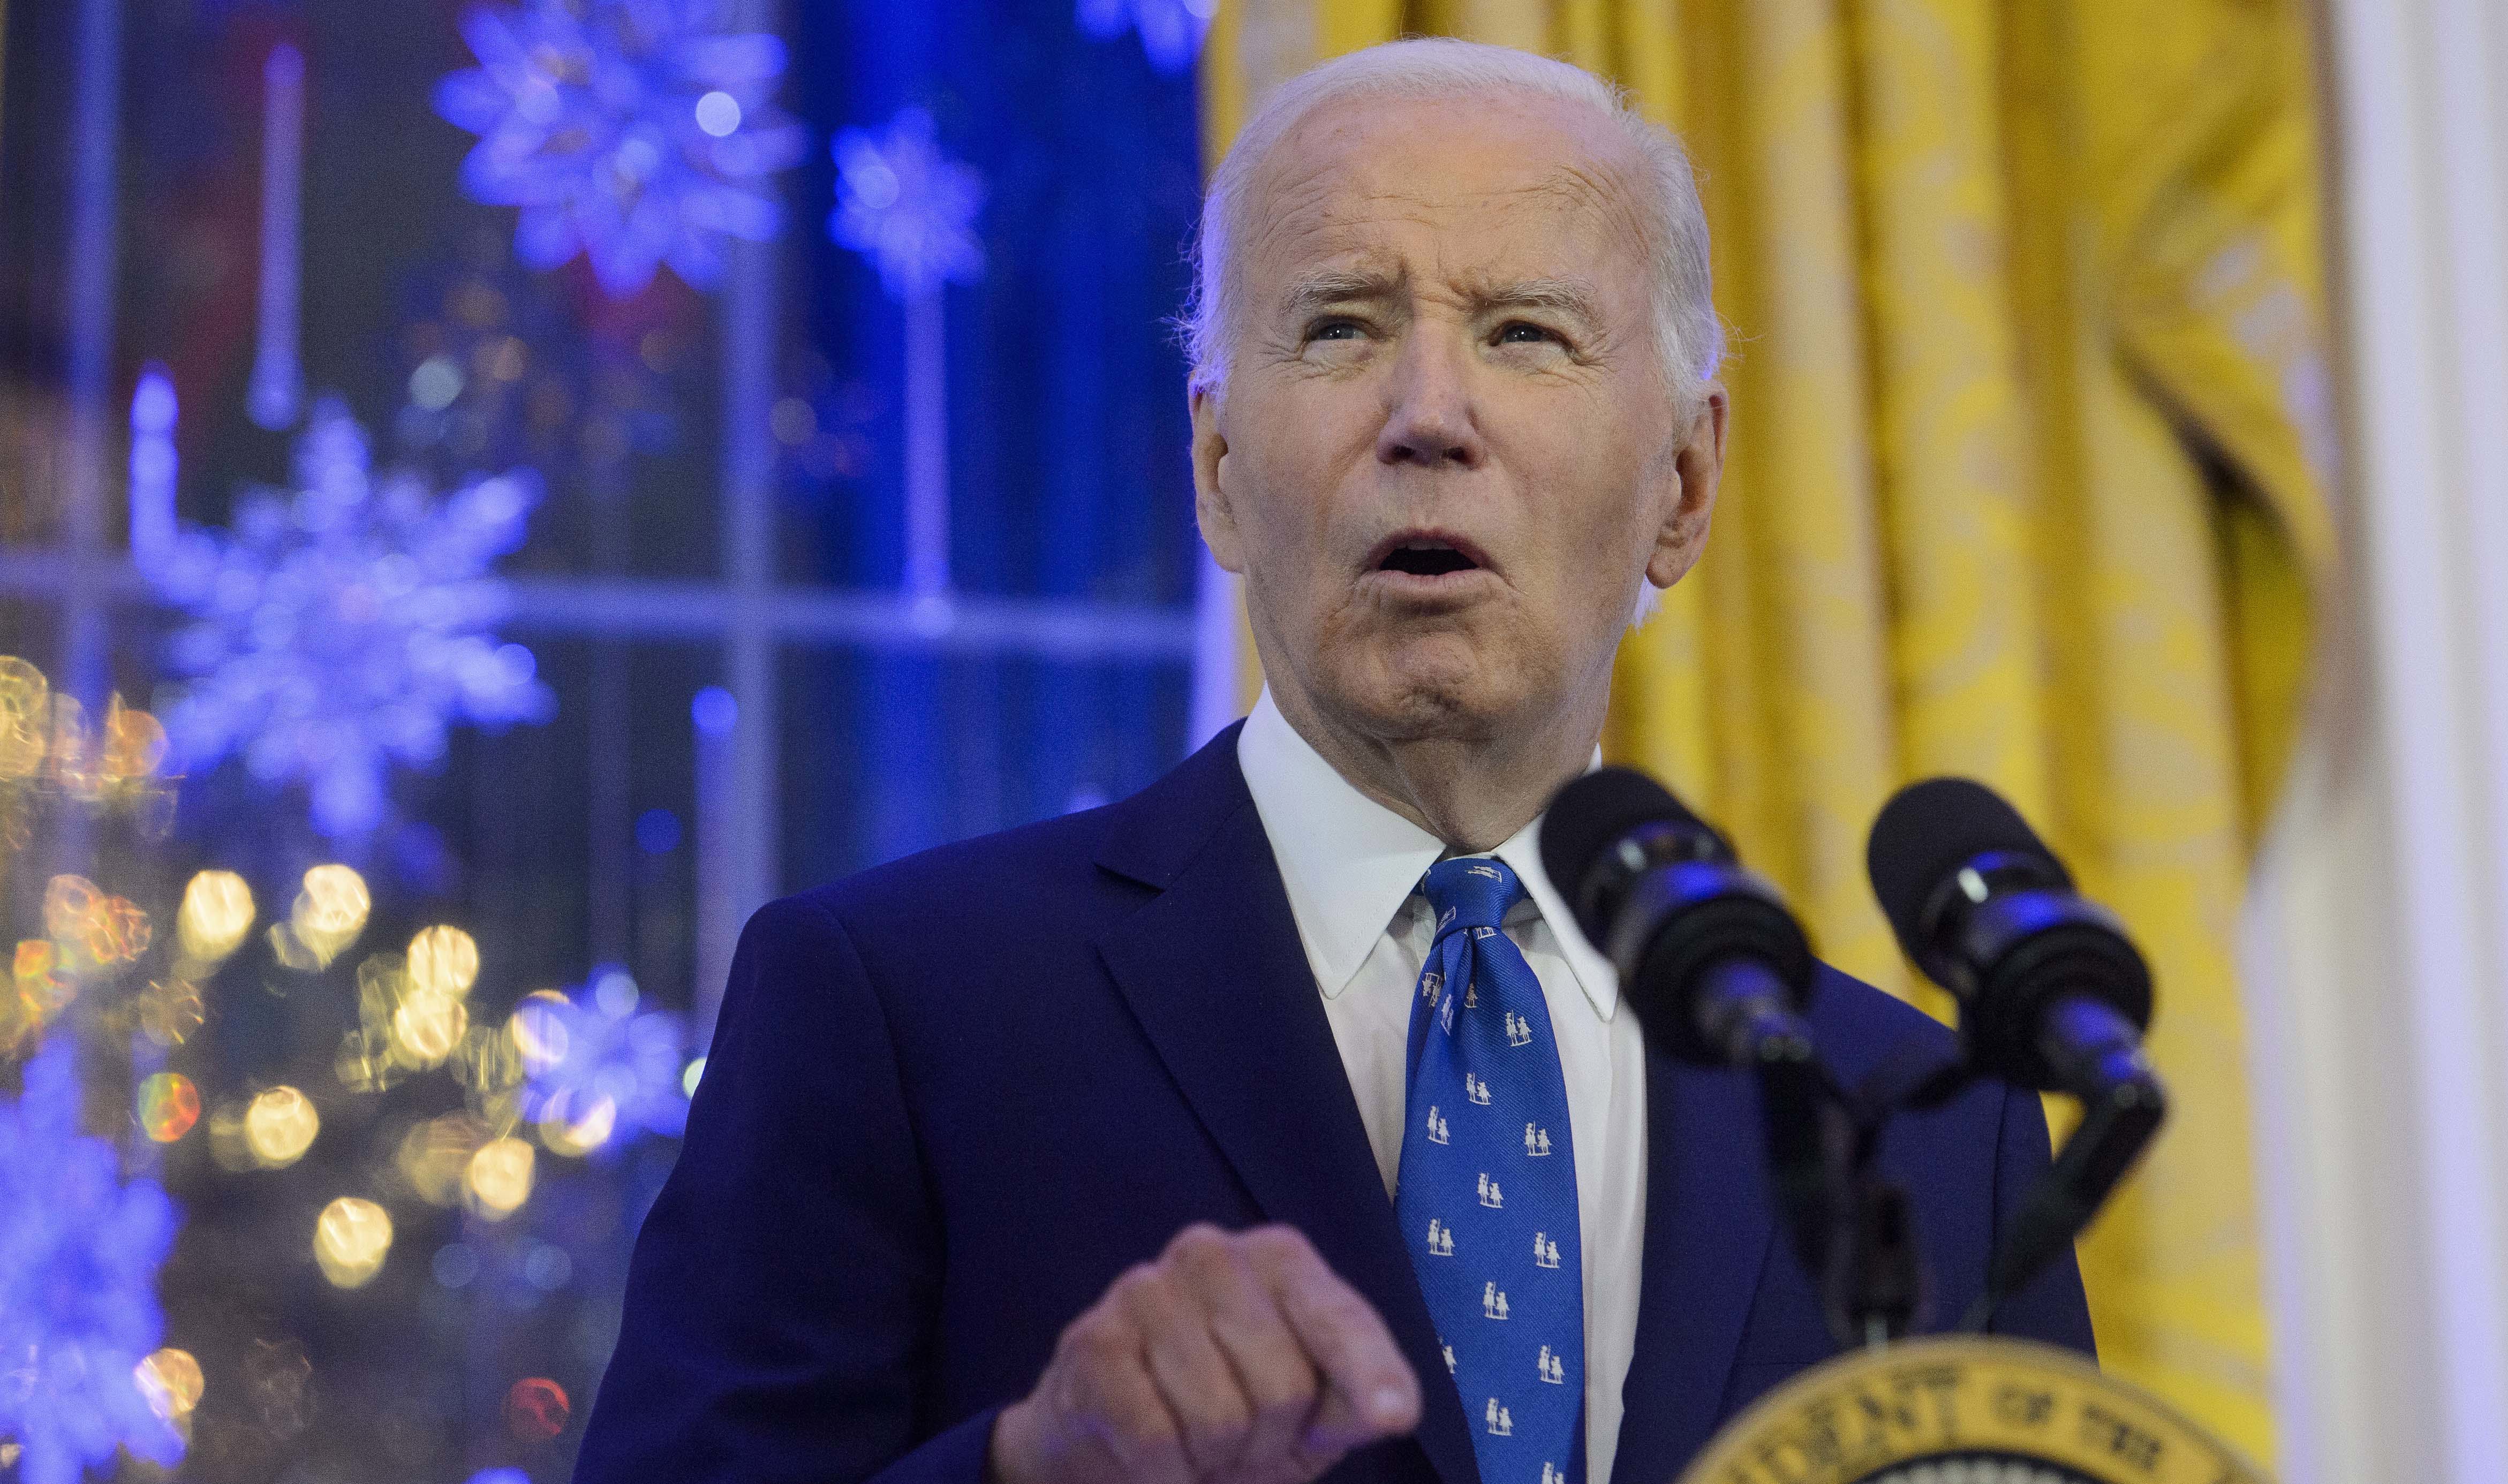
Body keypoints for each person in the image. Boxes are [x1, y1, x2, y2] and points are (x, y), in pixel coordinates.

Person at [571, 37, 2092, 1484]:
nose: (1428, 416)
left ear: (1684, 484)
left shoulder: (1936, 1128)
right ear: (1220, 470)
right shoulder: (889, 1006)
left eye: (1526, 333)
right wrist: (1032, 1468)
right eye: (1341, 325)